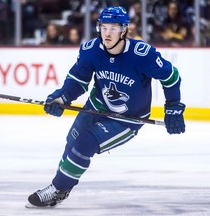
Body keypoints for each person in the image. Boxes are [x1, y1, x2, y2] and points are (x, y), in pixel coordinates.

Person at [26, 6, 186, 208]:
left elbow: (171, 76)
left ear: (124, 30)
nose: (107, 33)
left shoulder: (142, 54)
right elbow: (78, 80)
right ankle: (61, 189)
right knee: (72, 141)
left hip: (127, 119)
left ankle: (57, 188)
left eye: (113, 28)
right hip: (96, 106)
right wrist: (62, 97)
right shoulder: (91, 50)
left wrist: (173, 106)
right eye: (103, 27)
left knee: (85, 144)